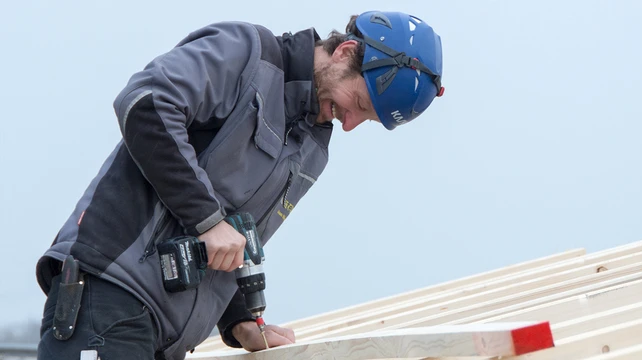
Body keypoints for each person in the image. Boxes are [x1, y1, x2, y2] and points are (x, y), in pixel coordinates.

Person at [35, 11, 444, 360]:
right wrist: (207, 220)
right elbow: (145, 103)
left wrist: (238, 321)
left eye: (366, 120)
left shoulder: (311, 147)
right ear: (346, 52)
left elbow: (231, 238)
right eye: (358, 103)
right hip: (109, 297)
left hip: (165, 337)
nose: (350, 123)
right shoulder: (247, 54)